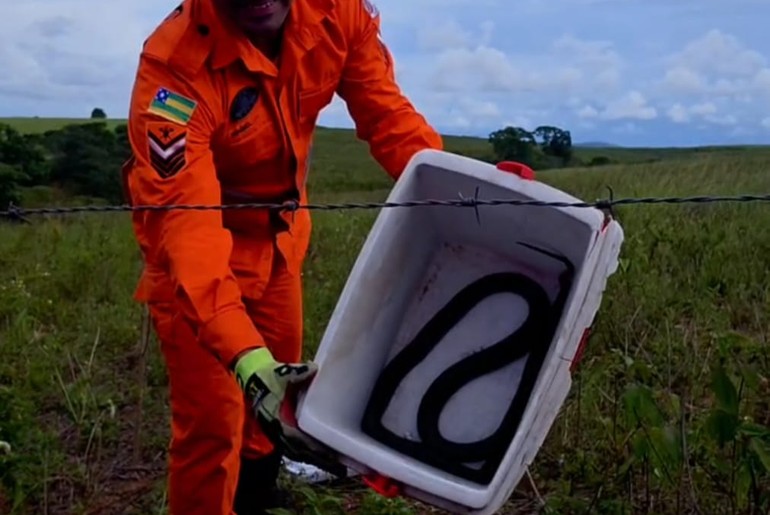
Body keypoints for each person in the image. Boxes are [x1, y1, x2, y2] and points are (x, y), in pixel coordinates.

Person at [120, 0, 443, 513]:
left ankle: (258, 497)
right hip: (199, 268)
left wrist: (467, 191)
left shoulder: (337, 15)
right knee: (213, 426)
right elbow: (188, 229)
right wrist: (242, 353)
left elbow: (390, 119)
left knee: (274, 408)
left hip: (281, 246)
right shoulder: (174, 72)